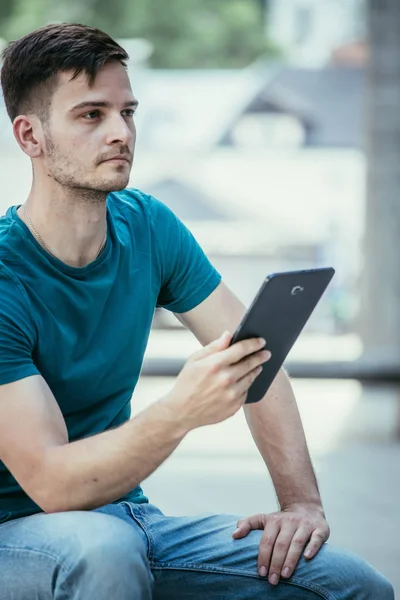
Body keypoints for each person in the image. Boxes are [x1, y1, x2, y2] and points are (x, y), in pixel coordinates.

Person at [0, 23, 393, 600]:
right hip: (20, 536)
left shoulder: (150, 225)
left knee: (349, 583)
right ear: (30, 136)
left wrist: (301, 504)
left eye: (127, 112)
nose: (120, 132)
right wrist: (180, 412)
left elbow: (258, 355)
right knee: (103, 554)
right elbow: (52, 486)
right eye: (91, 115)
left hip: (130, 523)